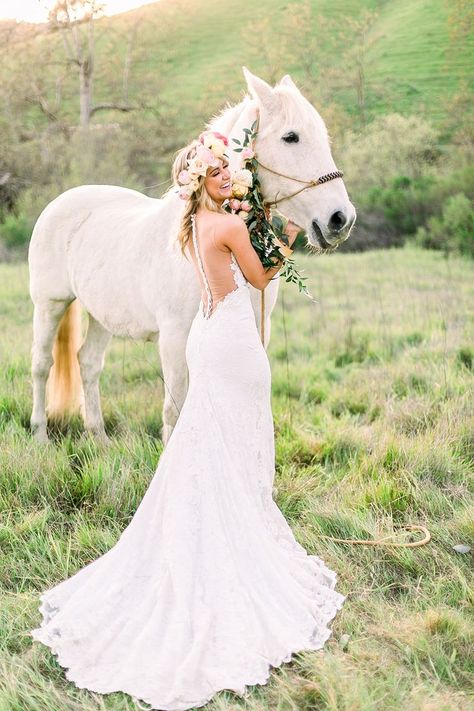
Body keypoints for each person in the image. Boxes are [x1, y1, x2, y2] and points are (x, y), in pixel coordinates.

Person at [30, 131, 345, 711]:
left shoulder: (193, 225)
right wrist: (288, 240)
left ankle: (211, 506)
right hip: (229, 340)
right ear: (202, 182)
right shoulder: (225, 225)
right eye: (222, 176)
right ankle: (240, 511)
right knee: (238, 421)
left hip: (206, 334)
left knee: (206, 426)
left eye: (232, 175)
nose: (233, 181)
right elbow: (260, 276)